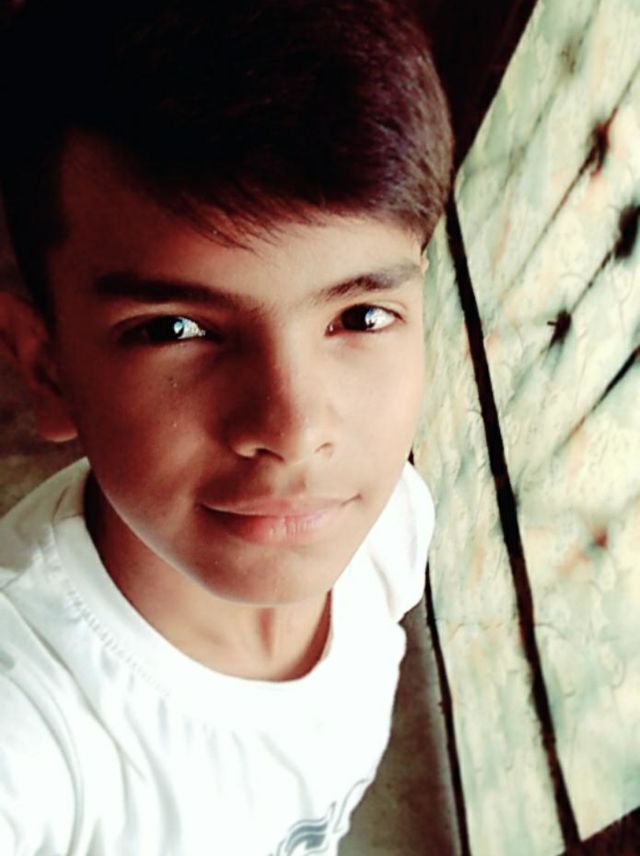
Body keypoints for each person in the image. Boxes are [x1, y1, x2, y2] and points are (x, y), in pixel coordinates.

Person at [0, 0, 453, 853]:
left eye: (361, 316)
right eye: (174, 329)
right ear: (48, 367)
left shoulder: (391, 527)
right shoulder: (29, 726)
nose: (294, 430)